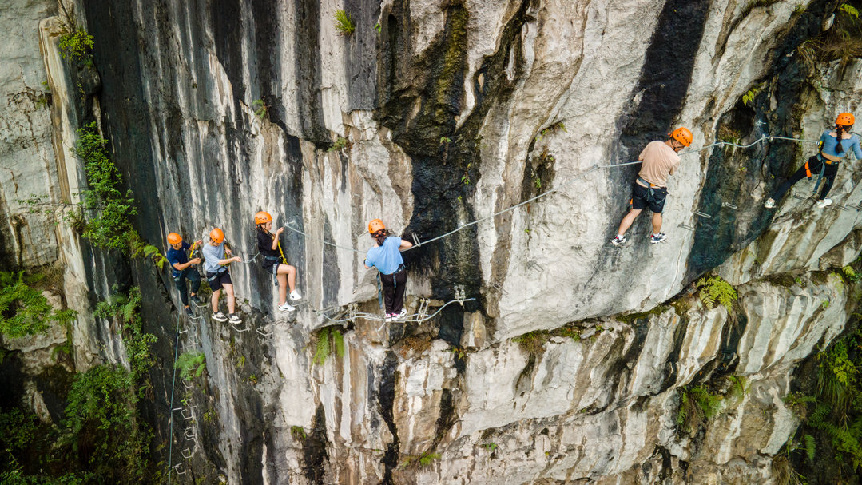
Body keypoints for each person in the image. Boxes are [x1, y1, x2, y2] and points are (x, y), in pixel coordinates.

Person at [611, 127, 693, 246]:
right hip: (657, 189)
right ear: (676, 142)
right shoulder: (675, 159)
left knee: (633, 213)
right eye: (682, 146)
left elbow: (640, 158)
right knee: (657, 213)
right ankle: (655, 236)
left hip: (641, 185)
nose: (681, 149)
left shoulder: (653, 144)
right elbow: (671, 172)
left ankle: (619, 237)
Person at [765, 113, 862, 209]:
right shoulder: (853, 139)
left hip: (816, 163)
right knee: (829, 183)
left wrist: (822, 143)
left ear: (837, 125)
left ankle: (771, 201)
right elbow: (859, 156)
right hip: (831, 168)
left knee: (792, 180)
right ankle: (821, 201)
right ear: (849, 127)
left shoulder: (827, 133)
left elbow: (820, 144)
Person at [364, 219, 413, 321]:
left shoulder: (371, 253)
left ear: (372, 236)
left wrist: (365, 261)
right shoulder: (393, 241)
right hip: (399, 274)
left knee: (388, 293)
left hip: (386, 276)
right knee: (399, 292)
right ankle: (397, 313)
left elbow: (367, 266)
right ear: (384, 232)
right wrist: (398, 249)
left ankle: (389, 313)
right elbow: (409, 245)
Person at [254, 211, 301, 312]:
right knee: (292, 270)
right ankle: (292, 292)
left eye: (271, 223)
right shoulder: (261, 236)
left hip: (275, 262)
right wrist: (278, 234)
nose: (271, 225)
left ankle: (282, 304)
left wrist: (274, 236)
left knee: (283, 284)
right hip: (271, 264)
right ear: (262, 226)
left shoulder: (267, 233)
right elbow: (273, 247)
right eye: (269, 224)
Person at [202, 227, 242, 323]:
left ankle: (232, 315)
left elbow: (224, 242)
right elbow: (219, 262)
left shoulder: (219, 240)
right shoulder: (206, 250)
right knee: (217, 293)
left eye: (220, 243)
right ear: (211, 239)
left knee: (230, 291)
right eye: (217, 243)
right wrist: (233, 259)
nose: (218, 244)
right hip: (213, 272)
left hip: (223, 271)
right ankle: (215, 313)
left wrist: (226, 248)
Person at [166, 233, 203, 317]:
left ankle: (193, 295)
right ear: (173, 244)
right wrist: (191, 262)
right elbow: (179, 267)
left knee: (196, 278)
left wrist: (196, 244)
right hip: (178, 273)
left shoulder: (181, 243)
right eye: (178, 243)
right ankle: (187, 307)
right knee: (183, 290)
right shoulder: (171, 254)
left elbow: (191, 247)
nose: (180, 244)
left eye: (180, 242)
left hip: (186, 269)